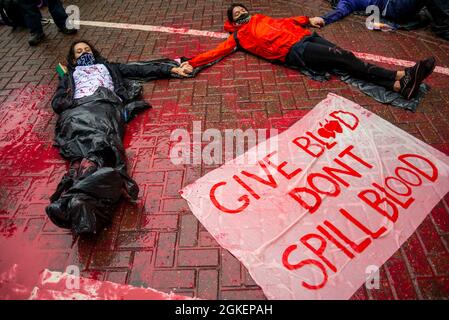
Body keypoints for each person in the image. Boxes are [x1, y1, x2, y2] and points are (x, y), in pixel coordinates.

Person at [47, 40, 192, 235]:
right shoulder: (69, 77)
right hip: (77, 110)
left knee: (97, 144)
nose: (83, 53)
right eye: (79, 52)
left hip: (104, 105)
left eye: (87, 50)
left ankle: (75, 199)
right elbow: (57, 103)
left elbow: (140, 69)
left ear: (94, 52)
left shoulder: (108, 67)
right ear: (73, 59)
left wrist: (171, 69)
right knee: (89, 145)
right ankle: (81, 200)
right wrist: (70, 98)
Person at [181, 3, 435, 100]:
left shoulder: (260, 16)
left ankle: (398, 84)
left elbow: (284, 22)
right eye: (237, 14)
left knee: (346, 58)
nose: (242, 13)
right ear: (233, 22)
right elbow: (216, 51)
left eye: (242, 9)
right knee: (344, 59)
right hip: (293, 51)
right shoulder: (239, 36)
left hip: (305, 36)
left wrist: (306, 19)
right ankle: (399, 76)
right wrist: (193, 62)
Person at [317, 0, 428, 26]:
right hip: (393, 8)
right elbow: (340, 11)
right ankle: (444, 25)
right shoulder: (347, 1)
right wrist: (324, 19)